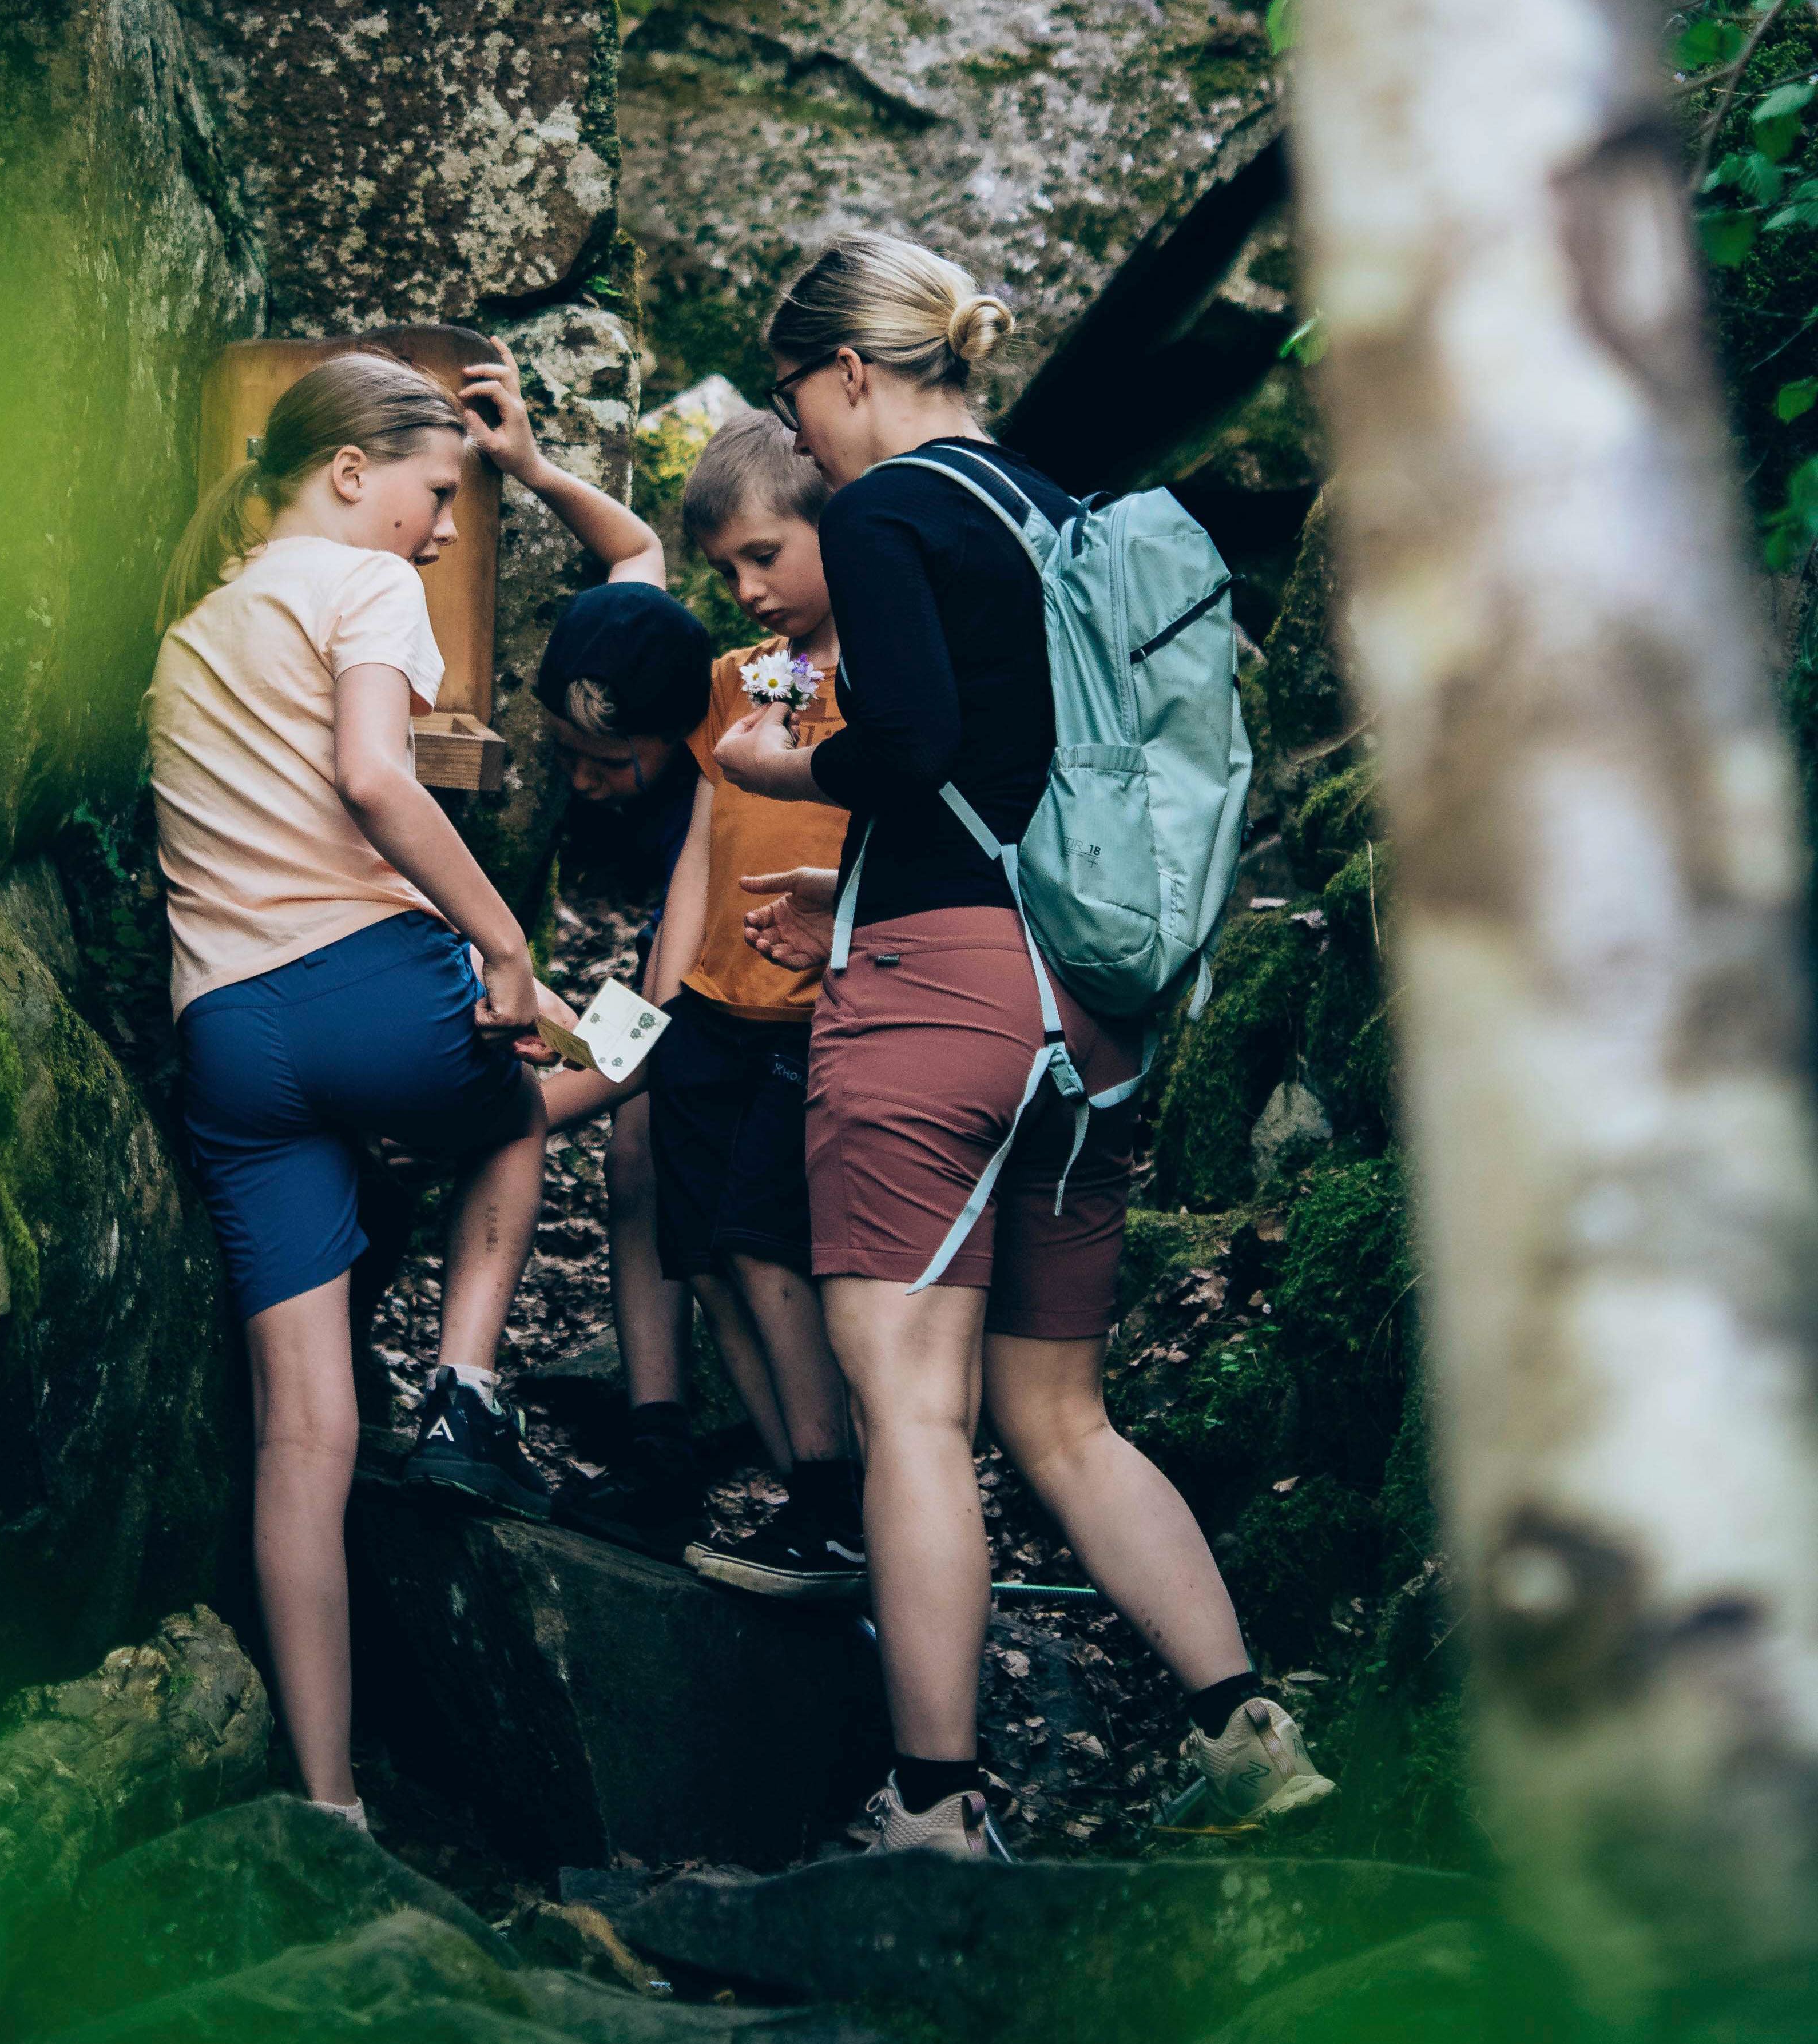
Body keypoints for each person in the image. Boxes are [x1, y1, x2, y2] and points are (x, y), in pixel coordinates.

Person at [716, 234, 1335, 1855]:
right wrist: (853, 879)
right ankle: (1245, 1731)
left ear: (849, 370)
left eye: (797, 394)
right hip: (1088, 1015)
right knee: (1062, 1416)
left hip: (940, 1008)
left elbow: (914, 740)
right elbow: (1013, 768)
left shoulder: (884, 510)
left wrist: (781, 771)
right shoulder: (1058, 513)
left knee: (915, 1412)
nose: (805, 436)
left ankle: (934, 1805)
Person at [148, 352, 563, 1830]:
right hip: (370, 990)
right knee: (519, 1112)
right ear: (346, 473)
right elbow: (380, 779)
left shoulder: (192, 631)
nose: (442, 531)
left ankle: (327, 1801)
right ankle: (465, 1394)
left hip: (231, 1036)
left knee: (301, 1430)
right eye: (435, 493)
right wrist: (504, 945)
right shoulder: (365, 582)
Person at [458, 344, 795, 1558]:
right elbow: (635, 553)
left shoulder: (727, 733)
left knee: (647, 1148)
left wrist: (501, 1115)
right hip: (671, 951)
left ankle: (683, 1441)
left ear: (675, 733)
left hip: (732, 952)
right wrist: (533, 468)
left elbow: (645, 1034)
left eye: (611, 764)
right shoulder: (646, 650)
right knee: (635, 1156)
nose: (588, 784)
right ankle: (660, 1429)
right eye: (568, 759)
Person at [641, 412, 863, 1597]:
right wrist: (659, 1004)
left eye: (765, 556)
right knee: (709, 1260)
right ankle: (808, 1507)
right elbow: (702, 843)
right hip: (711, 1011)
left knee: (763, 1243)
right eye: (727, 568)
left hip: (816, 1017)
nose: (746, 589)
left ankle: (835, 1495)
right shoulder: (740, 679)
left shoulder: (884, 676)